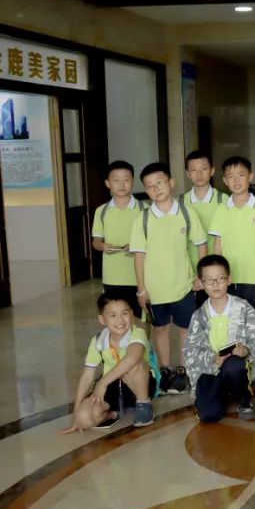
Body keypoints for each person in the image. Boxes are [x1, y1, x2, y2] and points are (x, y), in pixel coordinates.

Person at [130, 162, 208, 395]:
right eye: (150, 186)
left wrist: (201, 276)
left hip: (183, 286)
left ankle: (183, 370)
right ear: (145, 190)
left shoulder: (186, 212)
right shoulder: (143, 218)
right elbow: (138, 256)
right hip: (154, 289)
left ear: (171, 183)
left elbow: (200, 244)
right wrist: (141, 289)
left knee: (185, 329)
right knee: (160, 329)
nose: (156, 189)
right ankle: (165, 370)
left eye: (160, 183)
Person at [63, 289, 156, 433]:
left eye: (124, 313)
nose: (120, 320)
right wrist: (76, 412)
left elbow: (131, 358)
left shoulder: (138, 333)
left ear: (131, 314)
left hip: (139, 385)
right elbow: (87, 375)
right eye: (113, 315)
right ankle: (113, 414)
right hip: (112, 388)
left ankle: (143, 406)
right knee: (84, 417)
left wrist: (102, 383)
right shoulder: (97, 341)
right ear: (102, 319)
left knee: (133, 366)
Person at [183, 255, 255, 422]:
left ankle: (243, 400)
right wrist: (212, 358)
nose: (215, 284)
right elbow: (190, 352)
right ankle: (223, 393)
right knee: (208, 415)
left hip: (236, 367)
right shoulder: (198, 316)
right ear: (201, 283)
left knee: (233, 365)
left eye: (220, 279)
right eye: (209, 280)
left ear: (229, 280)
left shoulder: (244, 308)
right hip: (211, 370)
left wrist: (245, 350)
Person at [208, 156, 255, 314]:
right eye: (231, 176)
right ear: (225, 181)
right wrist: (216, 277)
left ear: (250, 177)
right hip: (228, 279)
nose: (236, 180)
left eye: (241, 175)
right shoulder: (221, 210)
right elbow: (217, 247)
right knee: (233, 322)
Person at [91, 160, 145, 317]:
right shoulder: (101, 211)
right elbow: (96, 242)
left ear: (133, 181)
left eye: (126, 179)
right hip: (111, 277)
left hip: (139, 276)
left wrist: (136, 246)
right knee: (116, 316)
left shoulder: (144, 209)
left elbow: (153, 242)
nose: (122, 184)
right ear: (108, 183)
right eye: (116, 180)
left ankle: (141, 335)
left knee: (142, 316)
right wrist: (102, 246)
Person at [180, 150, 225, 280]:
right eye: (194, 170)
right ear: (187, 173)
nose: (199, 174)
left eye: (204, 169)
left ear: (212, 171)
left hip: (218, 269)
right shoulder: (180, 203)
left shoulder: (224, 200)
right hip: (188, 270)